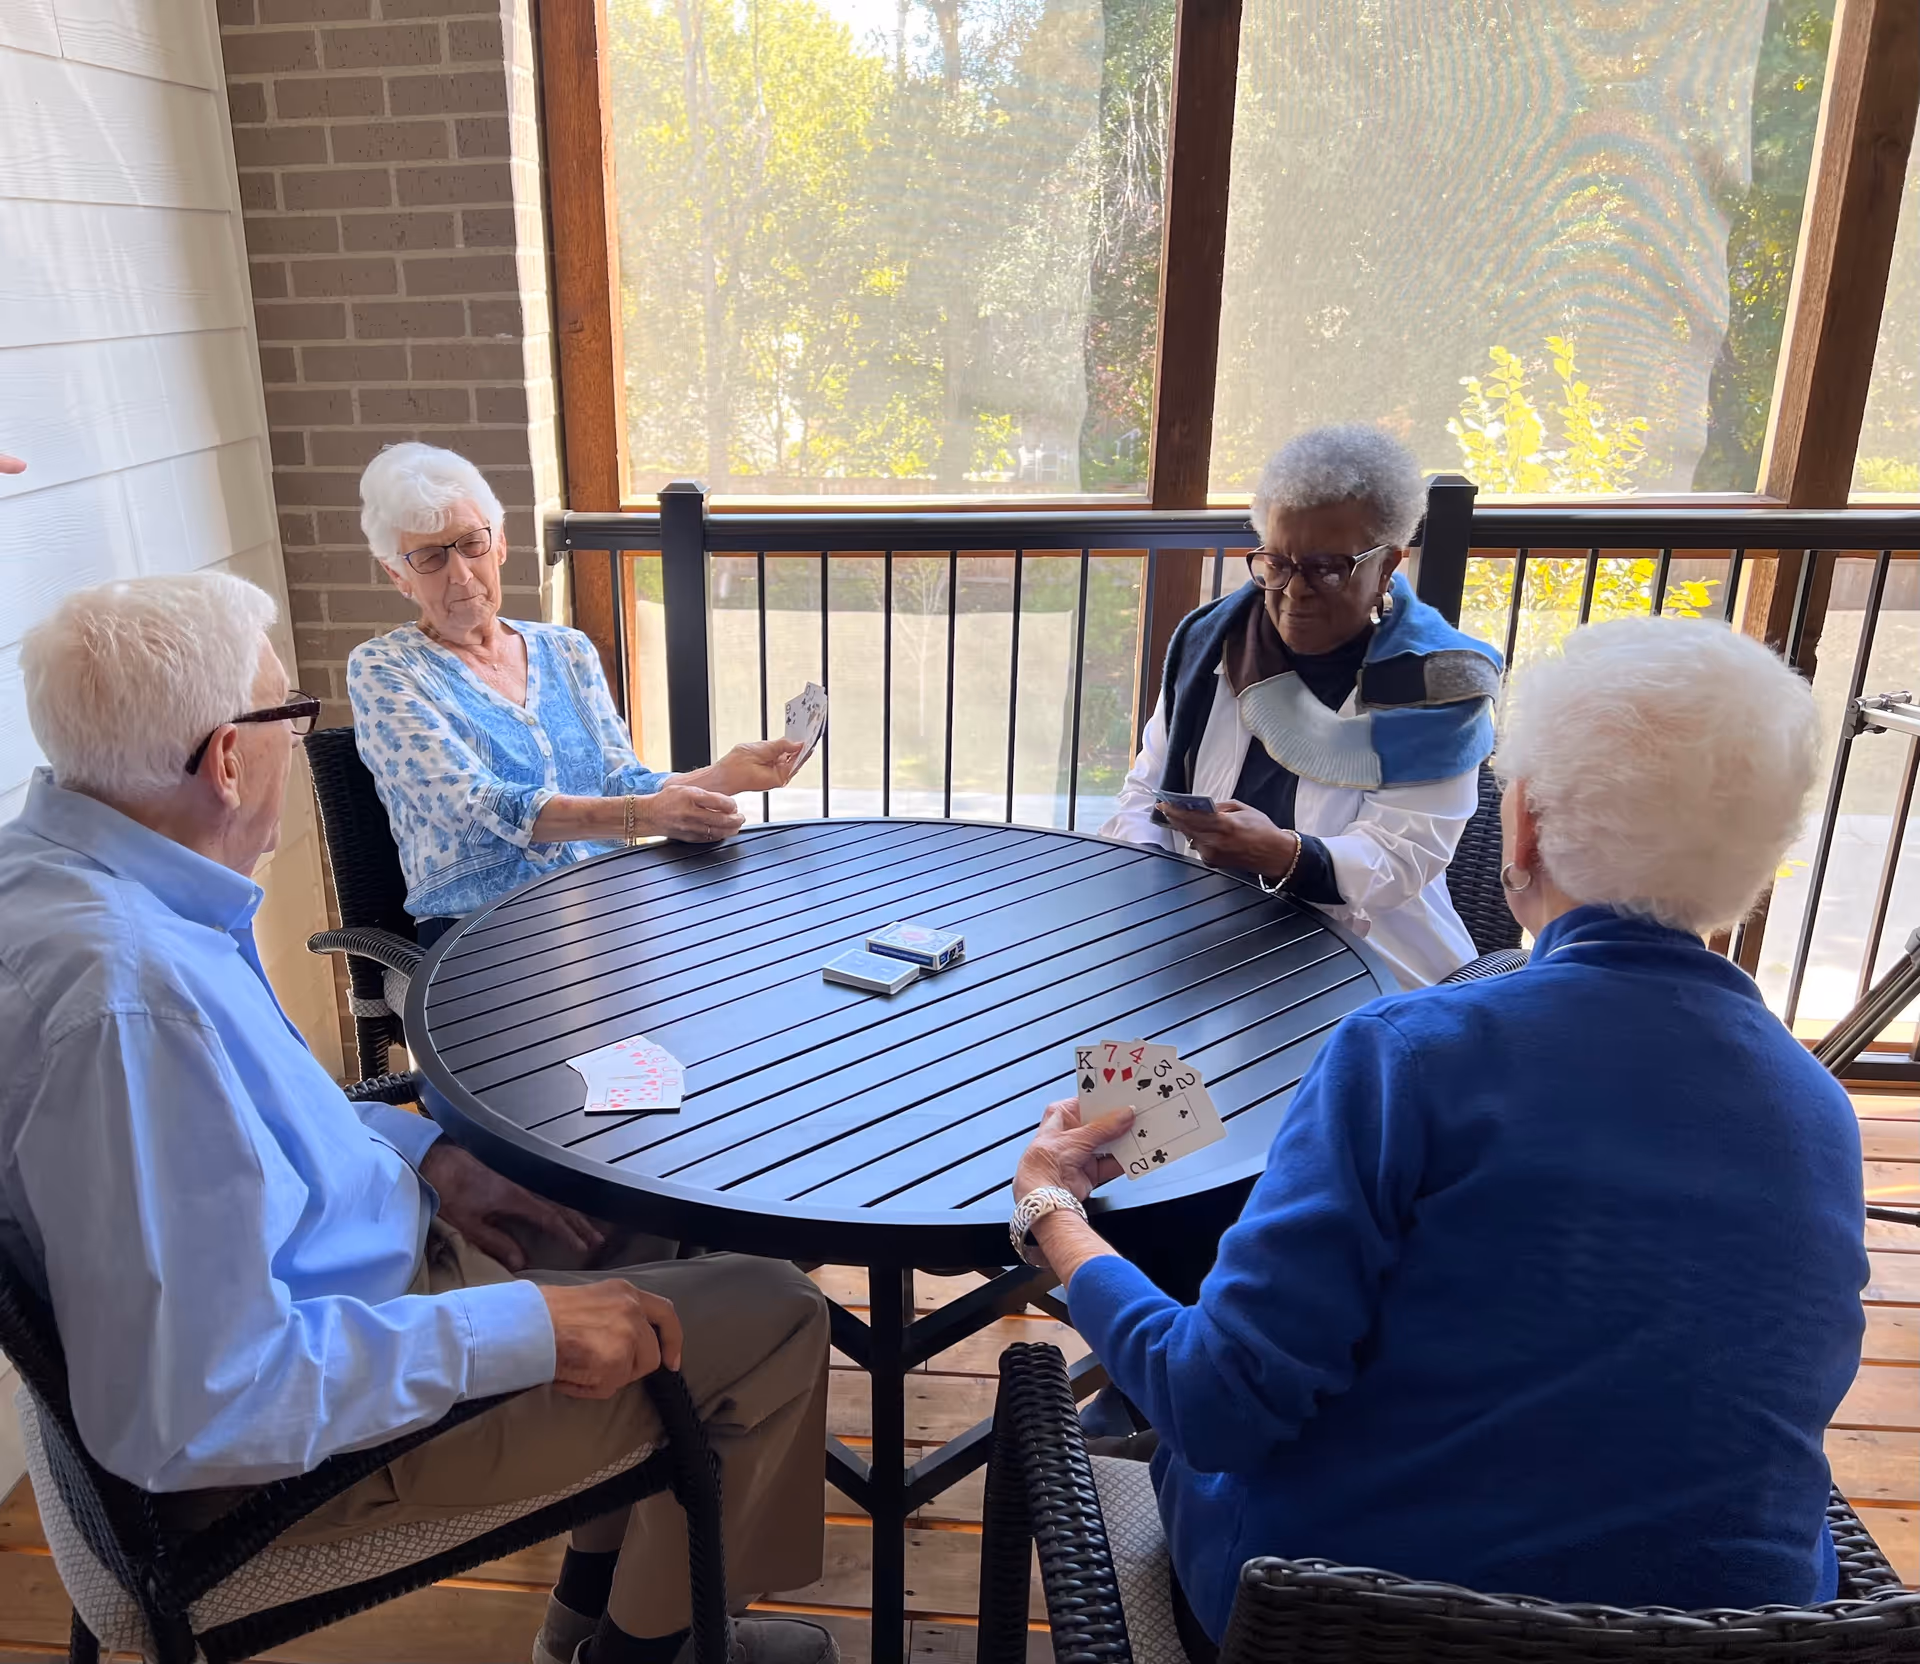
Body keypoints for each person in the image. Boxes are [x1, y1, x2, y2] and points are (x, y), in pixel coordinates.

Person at [0, 573, 836, 1664]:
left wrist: (431, 1154)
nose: (300, 741)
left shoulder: (86, 881)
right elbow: (200, 1404)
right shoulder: (128, 1002)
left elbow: (258, 1142)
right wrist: (529, 1324)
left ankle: (593, 1620)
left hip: (344, 1281)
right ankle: (647, 1650)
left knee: (634, 1215)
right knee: (775, 1311)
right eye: (287, 715)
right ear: (227, 758)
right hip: (290, 1445)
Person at [1014, 616, 1866, 1657]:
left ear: (1522, 828)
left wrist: (1053, 1209)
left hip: (1351, 1620)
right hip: (1734, 1633)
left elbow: (1217, 1404)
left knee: (1187, 1431)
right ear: (1762, 863)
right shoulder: (1818, 1107)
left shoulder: (1411, 1053)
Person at [348, 443, 803, 944]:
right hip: (479, 932)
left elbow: (617, 780)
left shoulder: (567, 649)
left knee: (754, 940)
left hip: (605, 903)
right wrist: (648, 814)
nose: (460, 573)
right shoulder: (384, 669)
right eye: (429, 557)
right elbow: (470, 805)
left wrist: (718, 777)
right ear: (399, 576)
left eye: (470, 544)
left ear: (499, 543)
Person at [1102, 424, 1502, 992]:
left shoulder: (1438, 684)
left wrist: (1284, 856)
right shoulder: (1211, 642)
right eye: (1277, 564)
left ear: (1388, 565)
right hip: (1207, 941)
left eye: (1327, 568)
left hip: (1370, 966)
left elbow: (1402, 860)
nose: (1294, 592)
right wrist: (1149, 871)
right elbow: (1146, 791)